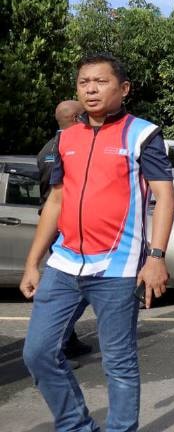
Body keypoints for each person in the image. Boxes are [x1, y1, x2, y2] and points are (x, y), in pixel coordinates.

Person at [21, 53, 174, 432]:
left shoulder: (143, 133)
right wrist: (32, 262)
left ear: (123, 88)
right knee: (38, 352)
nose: (90, 89)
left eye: (100, 81)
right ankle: (75, 425)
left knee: (118, 362)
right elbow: (55, 201)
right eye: (83, 82)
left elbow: (165, 196)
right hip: (64, 263)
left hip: (118, 267)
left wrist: (155, 257)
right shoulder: (65, 138)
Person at [37, 99, 92, 361]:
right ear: (76, 118)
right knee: (75, 288)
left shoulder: (50, 147)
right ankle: (59, 345)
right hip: (65, 226)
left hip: (61, 225)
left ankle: (68, 340)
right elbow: (57, 194)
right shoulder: (64, 147)